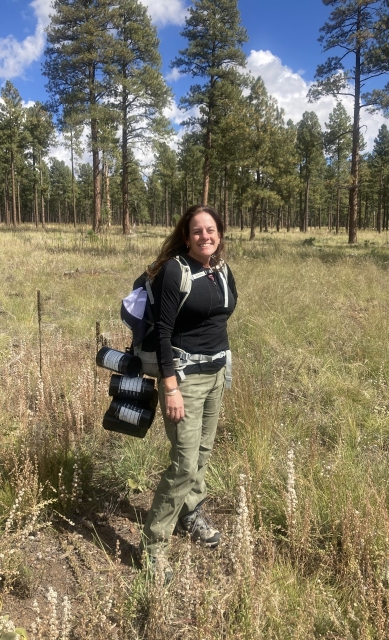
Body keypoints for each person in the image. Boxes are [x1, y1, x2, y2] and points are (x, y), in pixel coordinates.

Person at [139, 204, 237, 584]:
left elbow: (220, 319)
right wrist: (171, 388)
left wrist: (222, 368)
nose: (205, 236)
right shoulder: (174, 271)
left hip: (215, 376)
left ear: (220, 233)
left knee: (202, 454)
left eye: (211, 230)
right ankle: (153, 547)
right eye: (197, 231)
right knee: (183, 463)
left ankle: (189, 514)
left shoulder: (221, 270)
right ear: (186, 236)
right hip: (184, 380)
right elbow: (163, 331)